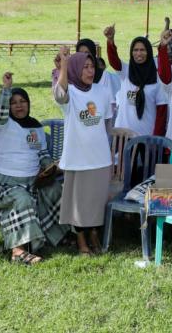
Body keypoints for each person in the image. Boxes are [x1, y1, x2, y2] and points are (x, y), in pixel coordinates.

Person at [0, 73, 69, 264]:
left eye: (23, 101)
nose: (18, 105)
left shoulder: (36, 127)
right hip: (4, 184)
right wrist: (6, 90)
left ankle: (58, 237)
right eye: (14, 102)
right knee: (22, 199)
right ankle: (18, 251)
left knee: (56, 190)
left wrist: (51, 166)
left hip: (32, 181)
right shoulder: (2, 123)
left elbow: (42, 154)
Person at [54, 47, 115, 256]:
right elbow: (59, 94)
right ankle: (80, 239)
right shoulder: (70, 92)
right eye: (85, 67)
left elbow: (107, 124)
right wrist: (63, 65)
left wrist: (110, 153)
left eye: (92, 67)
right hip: (77, 157)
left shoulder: (102, 91)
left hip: (100, 157)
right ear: (75, 68)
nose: (90, 71)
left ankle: (94, 234)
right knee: (78, 202)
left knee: (97, 200)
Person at [104, 25, 167, 137]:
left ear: (149, 52)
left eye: (142, 50)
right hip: (123, 135)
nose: (138, 54)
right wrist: (110, 40)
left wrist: (156, 138)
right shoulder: (126, 71)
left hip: (146, 137)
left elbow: (161, 112)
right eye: (135, 50)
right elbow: (114, 61)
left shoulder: (157, 78)